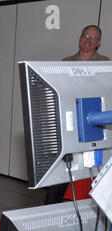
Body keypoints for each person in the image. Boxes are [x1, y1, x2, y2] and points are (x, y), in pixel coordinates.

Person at [45, 25, 110, 205]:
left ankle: (85, 210)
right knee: (61, 170)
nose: (88, 40)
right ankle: (49, 208)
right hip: (68, 125)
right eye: (85, 35)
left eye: (93, 37)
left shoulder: (105, 63)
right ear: (80, 38)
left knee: (86, 172)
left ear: (98, 43)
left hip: (91, 127)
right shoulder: (65, 62)